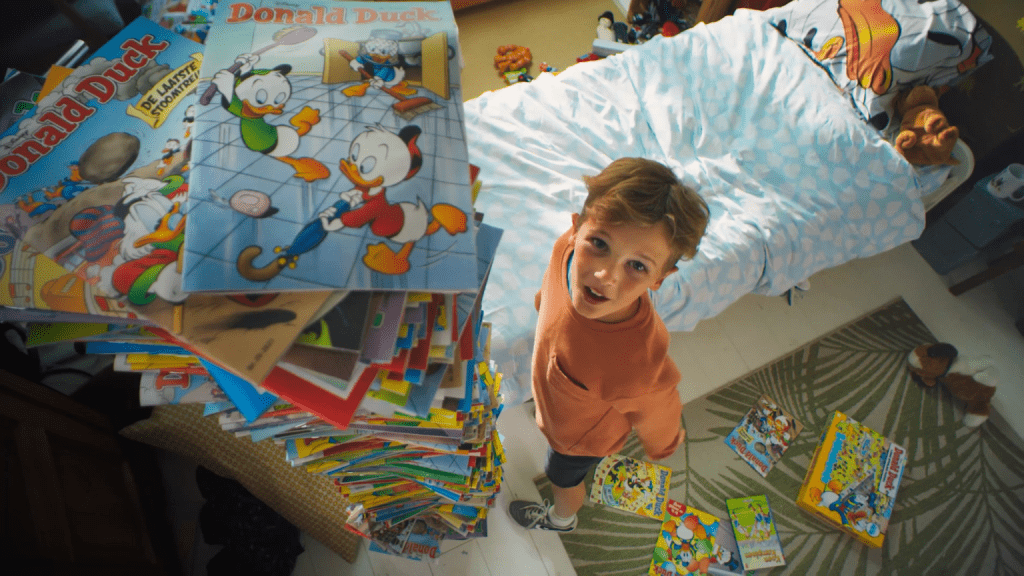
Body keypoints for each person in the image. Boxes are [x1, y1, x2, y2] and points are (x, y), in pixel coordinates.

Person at [507, 157, 710, 532]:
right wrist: (542, 303)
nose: (604, 275)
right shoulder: (565, 249)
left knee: (562, 478)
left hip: (579, 440)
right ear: (577, 227)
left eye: (637, 266)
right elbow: (551, 288)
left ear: (660, 278)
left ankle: (562, 518)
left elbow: (659, 407)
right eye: (599, 243)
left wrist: (663, 444)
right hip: (558, 392)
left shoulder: (635, 359)